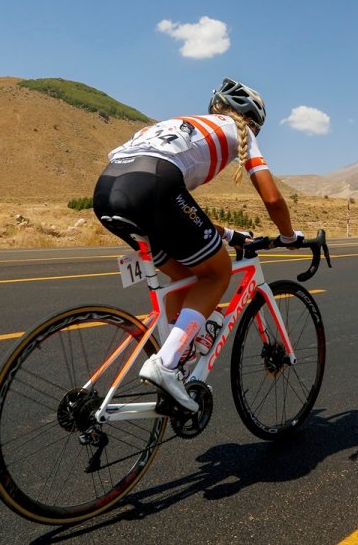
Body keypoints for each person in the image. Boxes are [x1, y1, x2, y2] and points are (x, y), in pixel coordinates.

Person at [92, 78, 302, 413]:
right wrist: (289, 235)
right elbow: (273, 198)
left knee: (185, 276)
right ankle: (167, 363)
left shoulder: (181, 125)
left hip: (107, 192)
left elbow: (181, 213)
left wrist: (230, 235)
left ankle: (176, 357)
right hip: (154, 185)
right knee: (216, 274)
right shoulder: (237, 130)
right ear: (251, 121)